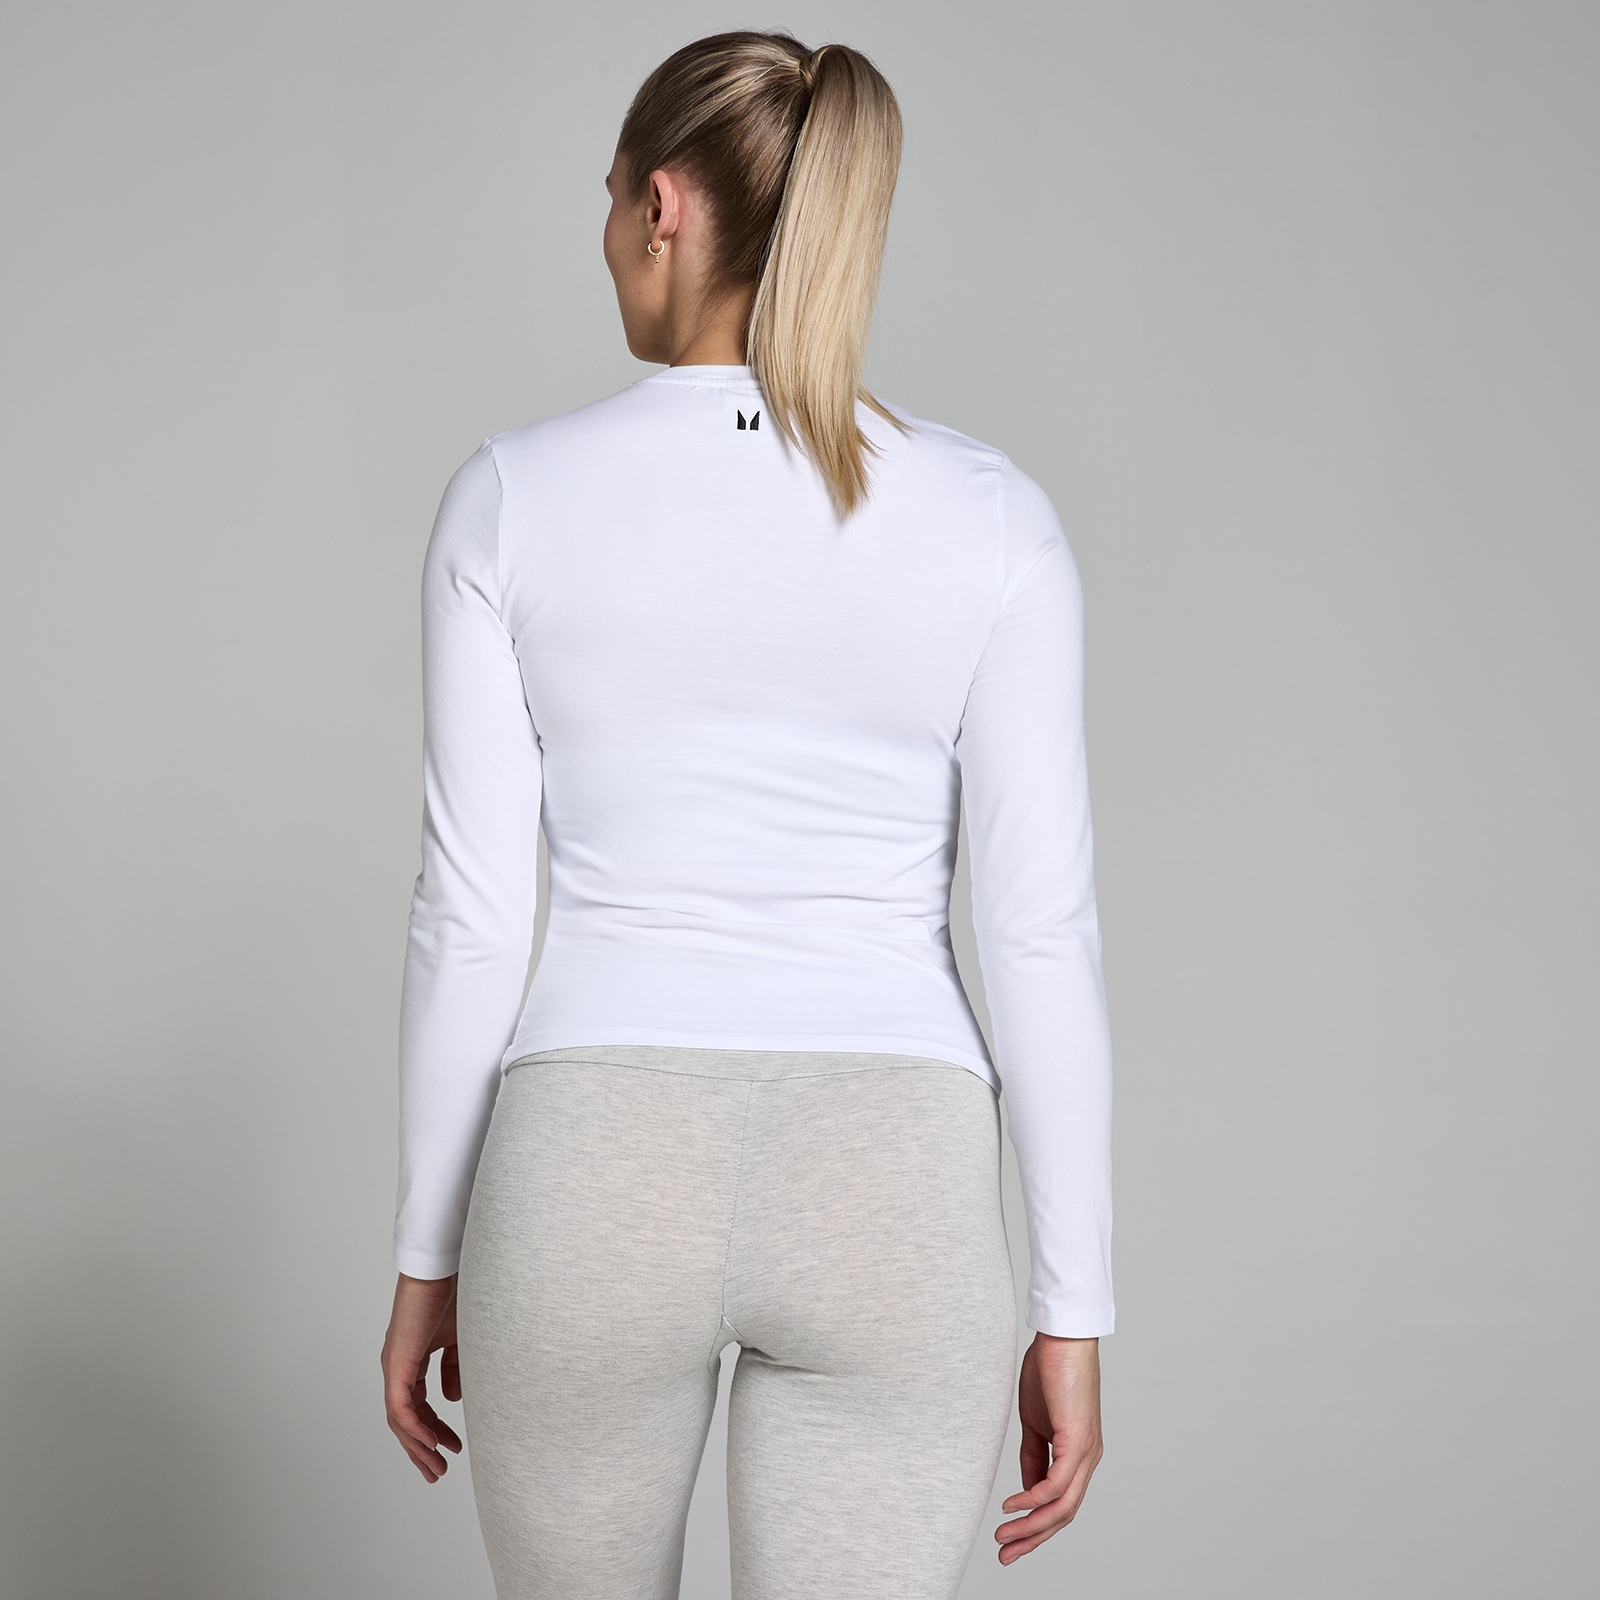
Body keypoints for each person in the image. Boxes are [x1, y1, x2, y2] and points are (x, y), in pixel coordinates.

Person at [378, 29, 1113, 1599]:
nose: (607, 243)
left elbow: (471, 917)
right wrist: (1075, 1304)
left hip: (590, 1169)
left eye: (609, 203)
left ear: (661, 206)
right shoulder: (994, 520)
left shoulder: (512, 498)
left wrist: (428, 1255)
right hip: (893, 1177)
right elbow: (1039, 931)